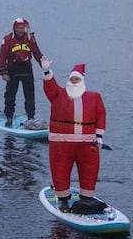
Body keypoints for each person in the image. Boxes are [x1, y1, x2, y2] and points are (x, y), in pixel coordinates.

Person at [41, 58, 107, 213]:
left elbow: (101, 115)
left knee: (89, 169)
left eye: (77, 79)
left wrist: (99, 137)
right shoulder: (58, 94)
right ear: (68, 81)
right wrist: (46, 71)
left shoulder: (94, 97)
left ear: (82, 81)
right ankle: (63, 199)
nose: (75, 81)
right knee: (60, 169)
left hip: (87, 143)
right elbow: (50, 87)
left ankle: (87, 198)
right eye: (72, 79)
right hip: (61, 143)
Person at [0, 18, 46, 127]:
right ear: (14, 28)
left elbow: (37, 53)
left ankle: (30, 117)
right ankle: (9, 117)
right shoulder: (7, 39)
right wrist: (3, 72)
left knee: (30, 95)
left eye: (22, 28)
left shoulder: (30, 38)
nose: (20, 30)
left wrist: (45, 66)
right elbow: (2, 57)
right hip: (13, 70)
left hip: (26, 69)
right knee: (10, 96)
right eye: (18, 28)